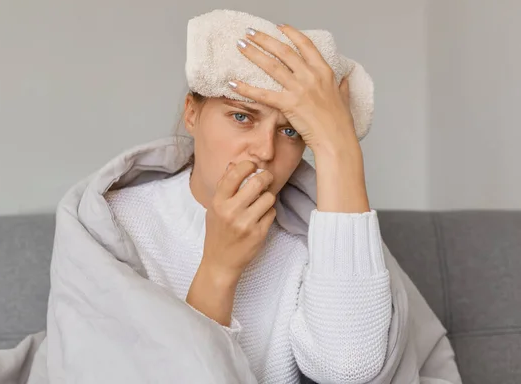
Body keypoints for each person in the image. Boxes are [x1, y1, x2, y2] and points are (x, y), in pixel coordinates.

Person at [103, 23, 395, 383]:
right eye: (242, 116)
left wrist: (339, 147)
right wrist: (219, 268)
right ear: (191, 113)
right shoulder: (115, 222)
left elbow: (348, 368)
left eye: (291, 131)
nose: (264, 151)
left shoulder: (312, 238)